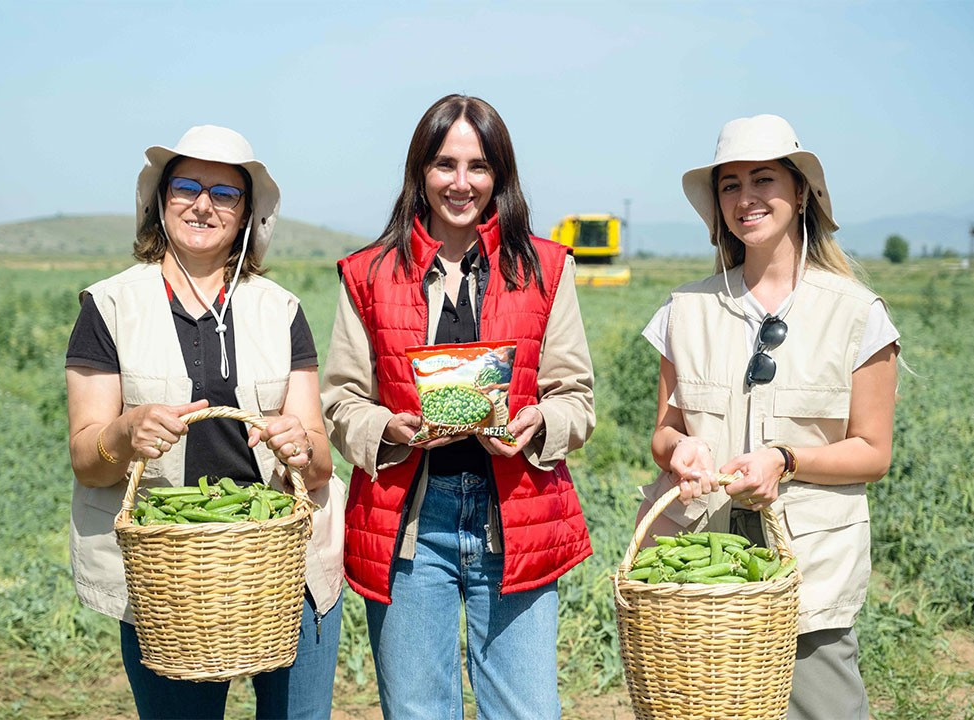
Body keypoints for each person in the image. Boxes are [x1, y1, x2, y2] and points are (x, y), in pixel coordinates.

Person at [320, 94, 596, 720]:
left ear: (500, 174)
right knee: (418, 711)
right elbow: (340, 400)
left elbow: (575, 397)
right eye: (445, 164)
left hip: (515, 518)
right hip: (413, 528)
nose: (461, 183)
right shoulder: (368, 273)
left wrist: (539, 423)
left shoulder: (546, 268)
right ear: (420, 171)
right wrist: (388, 428)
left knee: (527, 711)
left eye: (479, 166)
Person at [64, 125, 345, 720]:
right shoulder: (110, 306)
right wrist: (124, 433)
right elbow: (88, 463)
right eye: (186, 187)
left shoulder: (280, 309)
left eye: (225, 194)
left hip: (282, 557)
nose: (203, 205)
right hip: (174, 571)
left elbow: (319, 465)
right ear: (160, 201)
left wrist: (300, 445)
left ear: (246, 216)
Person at [637, 114, 900, 720]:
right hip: (700, 565)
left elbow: (873, 451)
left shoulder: (858, 314)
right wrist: (678, 450)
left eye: (763, 179)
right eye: (729, 185)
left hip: (809, 563)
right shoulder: (685, 309)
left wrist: (786, 460)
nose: (745, 198)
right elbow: (664, 432)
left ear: (800, 192)